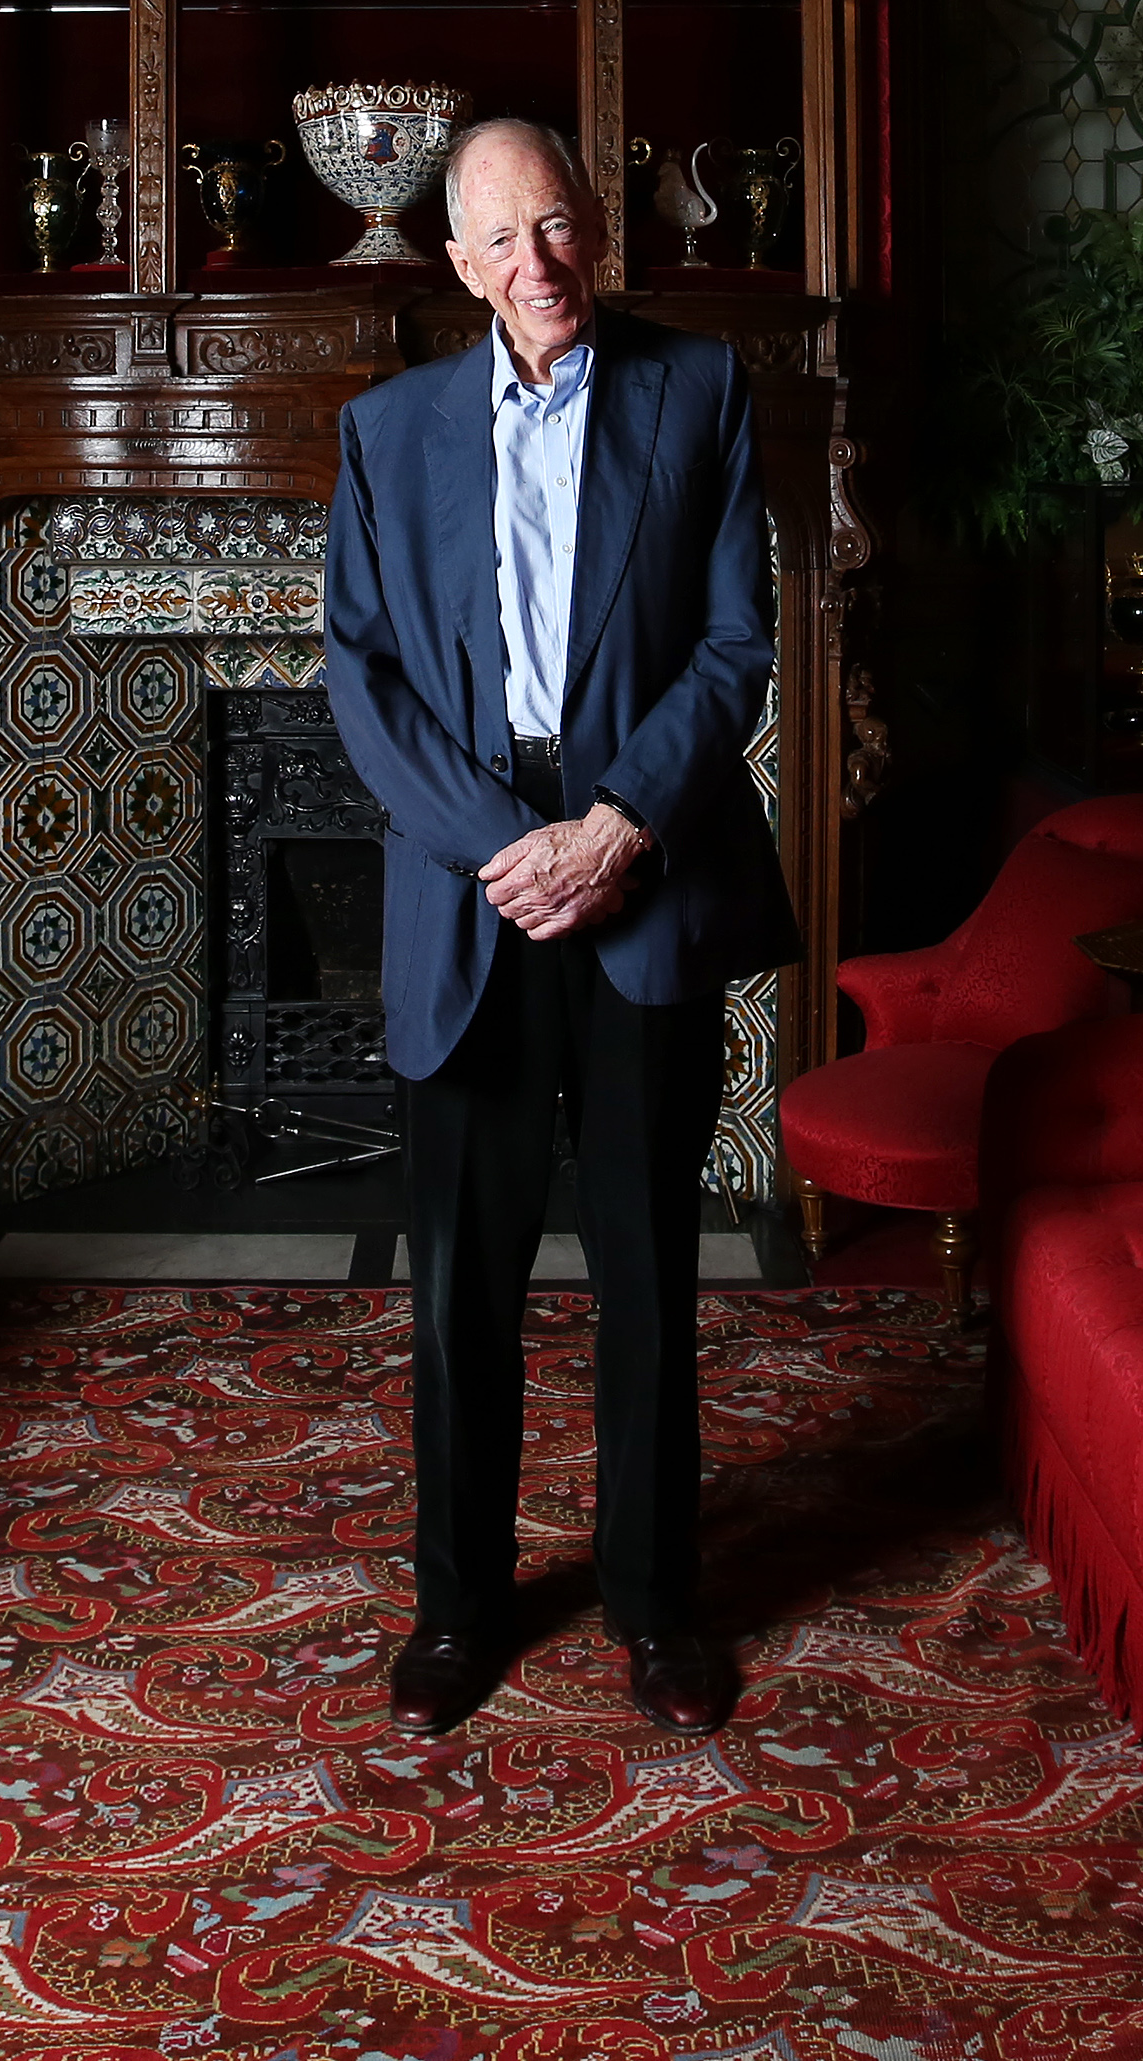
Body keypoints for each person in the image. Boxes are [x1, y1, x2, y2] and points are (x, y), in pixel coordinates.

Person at [322, 117, 787, 1741]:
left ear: (600, 226)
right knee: (464, 1279)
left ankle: (660, 1607)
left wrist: (615, 826)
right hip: (476, 890)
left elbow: (735, 649)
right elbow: (361, 680)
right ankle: (461, 1607)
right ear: (459, 266)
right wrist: (507, 850)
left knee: (651, 1269)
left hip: (638, 861)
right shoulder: (387, 434)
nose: (541, 264)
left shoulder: (702, 390)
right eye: (505, 241)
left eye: (562, 226)